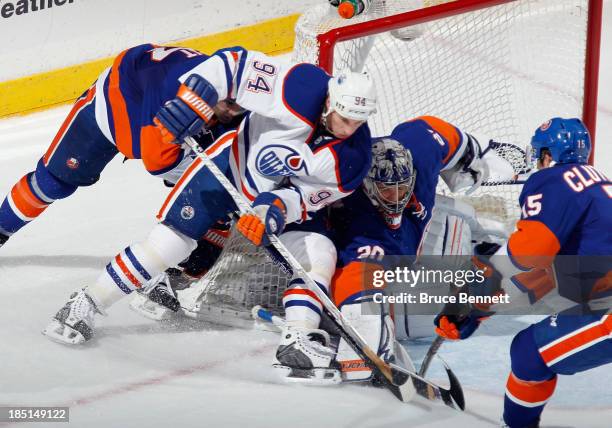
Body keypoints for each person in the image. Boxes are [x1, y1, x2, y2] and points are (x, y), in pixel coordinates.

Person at [42, 45, 378, 345]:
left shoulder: (354, 158)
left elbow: (305, 199)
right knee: (169, 243)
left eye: (357, 122)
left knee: (319, 253)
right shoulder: (301, 87)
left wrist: (275, 208)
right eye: (344, 118)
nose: (349, 129)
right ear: (331, 102)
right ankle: (87, 302)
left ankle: (299, 340)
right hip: (227, 166)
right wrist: (193, 102)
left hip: (270, 203)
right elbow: (232, 66)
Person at [275, 116, 496, 382]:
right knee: (329, 263)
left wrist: (472, 154)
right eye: (388, 190)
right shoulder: (358, 212)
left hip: (405, 252)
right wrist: (365, 342)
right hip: (316, 226)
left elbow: (431, 130)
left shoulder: (420, 152)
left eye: (404, 187)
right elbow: (359, 271)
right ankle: (309, 328)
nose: (399, 197)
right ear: (368, 186)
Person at [433, 118, 611, 428]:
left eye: (538, 153)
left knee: (531, 353)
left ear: (547, 155)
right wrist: (478, 309)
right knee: (529, 350)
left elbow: (530, 252)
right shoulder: (597, 184)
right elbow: (546, 274)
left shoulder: (554, 181)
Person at [0, 43, 245, 249]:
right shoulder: (174, 88)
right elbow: (157, 161)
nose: (234, 109)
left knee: (218, 184)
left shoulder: (237, 90)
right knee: (53, 182)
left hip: (168, 116)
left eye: (239, 103)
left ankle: (180, 274)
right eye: (230, 103)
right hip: (112, 105)